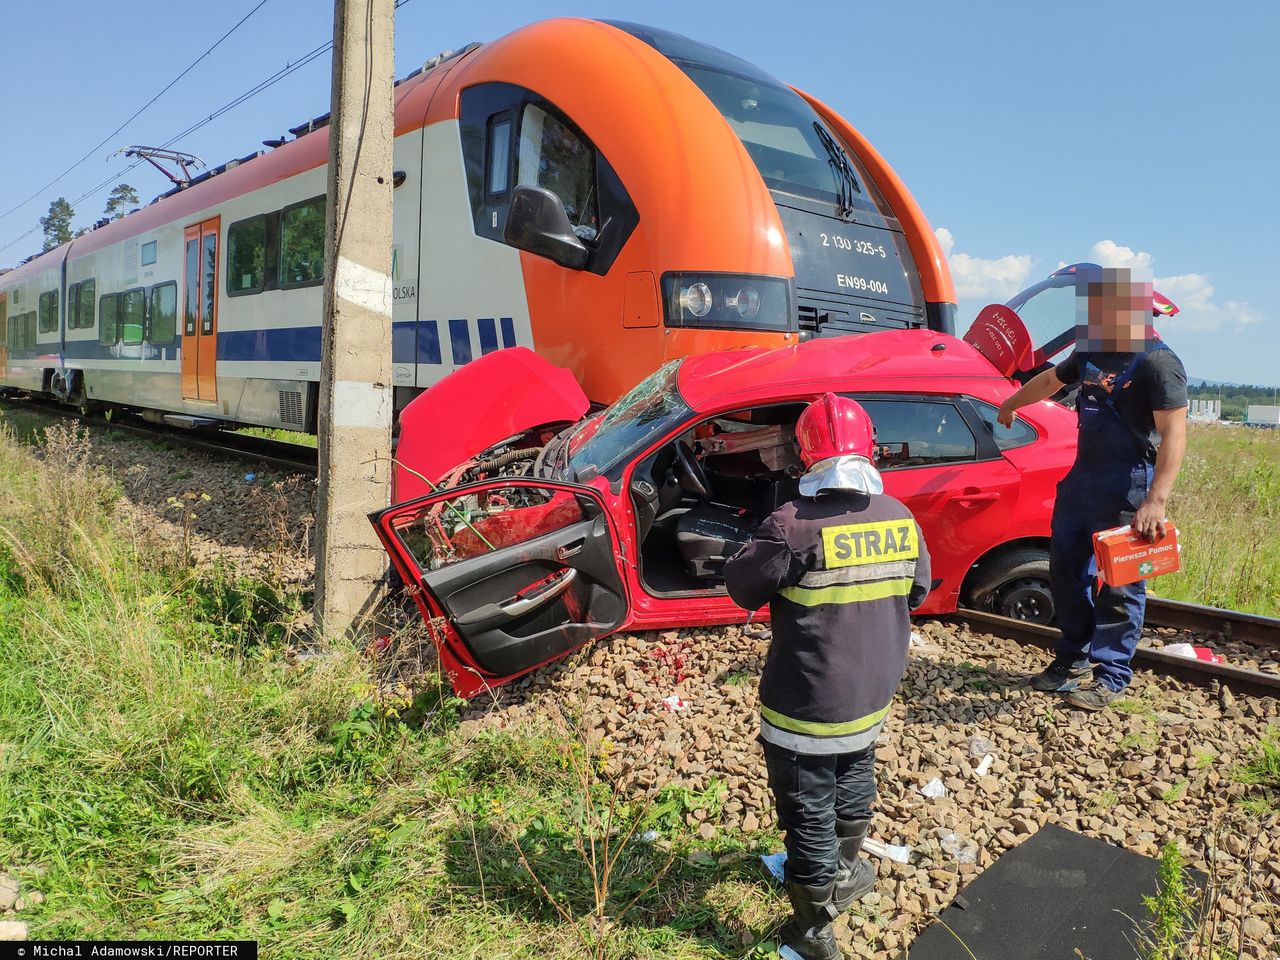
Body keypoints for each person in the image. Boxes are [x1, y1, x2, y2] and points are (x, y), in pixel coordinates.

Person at [722, 394, 931, 960]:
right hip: (873, 692)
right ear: (870, 449)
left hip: (806, 702)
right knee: (854, 773)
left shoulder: (790, 525)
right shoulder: (900, 517)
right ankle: (844, 871)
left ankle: (812, 930)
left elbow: (742, 588)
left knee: (807, 806)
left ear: (805, 454)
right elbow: (918, 589)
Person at [997, 265, 1188, 710]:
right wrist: (1011, 401)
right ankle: (1073, 656)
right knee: (1065, 574)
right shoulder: (1092, 349)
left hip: (1128, 487)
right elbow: (1051, 381)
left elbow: (1175, 435)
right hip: (1082, 480)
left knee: (1121, 586)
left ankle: (1112, 675)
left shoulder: (1159, 364)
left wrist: (1156, 501)